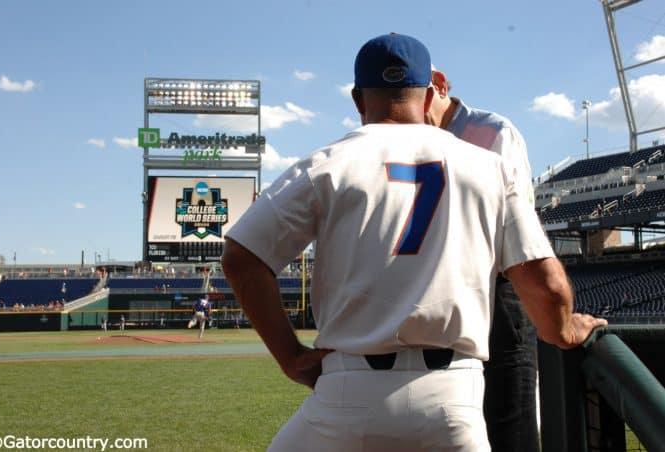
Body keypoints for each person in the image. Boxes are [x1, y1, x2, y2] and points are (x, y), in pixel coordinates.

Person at [221, 33, 607, 452]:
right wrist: (566, 329)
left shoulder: (327, 163)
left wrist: (292, 358)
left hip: (347, 391)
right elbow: (545, 285)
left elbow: (241, 258)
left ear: (357, 99)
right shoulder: (488, 166)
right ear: (429, 96)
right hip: (452, 399)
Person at [425, 66, 540, 451]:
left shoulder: (493, 131)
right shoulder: (412, 139)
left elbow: (511, 222)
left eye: (416, 93)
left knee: (508, 416)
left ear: (440, 86)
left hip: (499, 287)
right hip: (446, 293)